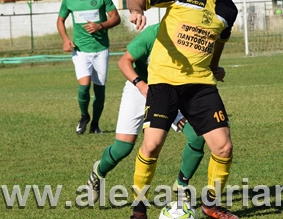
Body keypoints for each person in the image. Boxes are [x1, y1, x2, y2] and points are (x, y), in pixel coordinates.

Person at [121, 0, 240, 219]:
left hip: (200, 84)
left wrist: (214, 67)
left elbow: (217, 43)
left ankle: (211, 204)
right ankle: (138, 210)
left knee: (223, 146)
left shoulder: (228, 9)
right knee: (152, 145)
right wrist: (136, 11)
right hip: (164, 81)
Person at [85, 23, 208, 205]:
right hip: (140, 89)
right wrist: (140, 84)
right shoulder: (153, 33)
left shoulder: (190, 33)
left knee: (197, 136)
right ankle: (98, 172)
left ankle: (181, 185)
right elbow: (124, 61)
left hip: (169, 93)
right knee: (122, 149)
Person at [57, 0, 121, 134]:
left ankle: (95, 125)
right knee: (84, 86)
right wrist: (65, 39)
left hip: (101, 49)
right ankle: (84, 116)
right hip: (80, 50)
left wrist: (101, 26)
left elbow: (116, 18)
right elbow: (60, 20)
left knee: (99, 89)